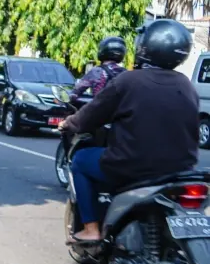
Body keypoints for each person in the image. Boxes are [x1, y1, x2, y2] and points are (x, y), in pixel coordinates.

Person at [60, 19, 198, 242]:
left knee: (81, 161)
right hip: (180, 169)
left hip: (132, 165)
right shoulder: (186, 85)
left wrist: (69, 123)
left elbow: (90, 115)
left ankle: (91, 229)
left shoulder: (128, 80)